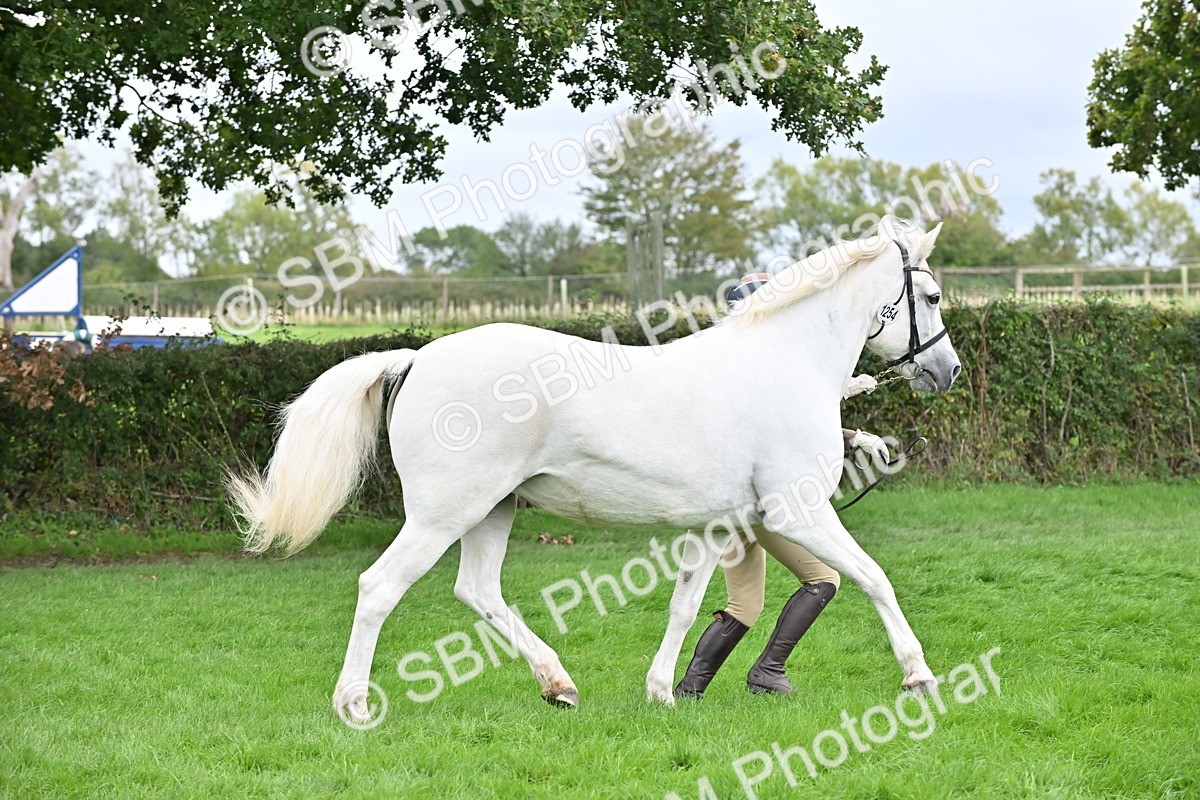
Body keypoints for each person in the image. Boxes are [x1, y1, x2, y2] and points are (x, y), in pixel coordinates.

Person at [674, 273, 890, 698]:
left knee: (745, 606)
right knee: (824, 577)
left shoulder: (728, 365)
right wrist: (855, 436)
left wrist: (854, 435)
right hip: (759, 502)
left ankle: (689, 690)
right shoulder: (762, 368)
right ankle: (768, 670)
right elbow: (783, 439)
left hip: (727, 505)